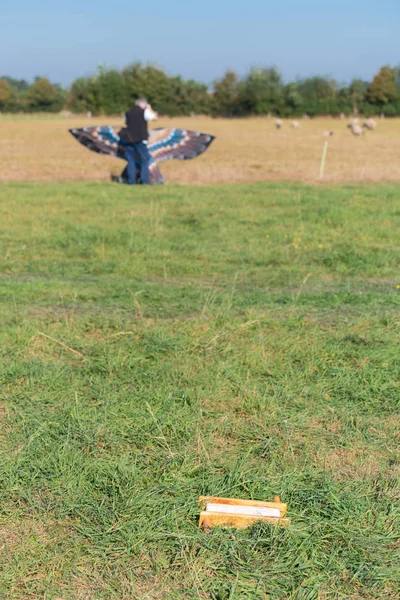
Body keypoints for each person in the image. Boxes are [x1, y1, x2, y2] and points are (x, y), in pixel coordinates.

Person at [124, 98, 158, 184]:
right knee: (144, 159)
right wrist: (149, 108)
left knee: (131, 160)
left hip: (129, 139)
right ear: (143, 104)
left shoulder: (128, 112)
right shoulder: (145, 112)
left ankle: (131, 181)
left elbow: (126, 123)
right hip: (141, 140)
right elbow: (155, 118)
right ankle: (145, 181)